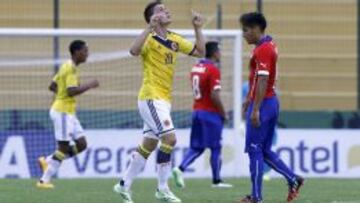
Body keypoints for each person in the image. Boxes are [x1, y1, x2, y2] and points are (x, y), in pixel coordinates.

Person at [113, 1, 205, 203]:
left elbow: (200, 52)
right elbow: (133, 51)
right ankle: (162, 189)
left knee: (148, 145)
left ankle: (123, 185)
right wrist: (148, 28)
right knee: (170, 139)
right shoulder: (149, 38)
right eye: (161, 10)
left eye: (166, 8)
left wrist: (197, 28)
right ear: (153, 18)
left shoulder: (174, 39)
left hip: (164, 99)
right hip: (150, 97)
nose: (166, 10)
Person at [238, 12, 304, 203]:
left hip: (264, 104)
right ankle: (293, 179)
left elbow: (263, 79)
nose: (243, 34)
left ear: (257, 29)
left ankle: (256, 198)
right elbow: (258, 78)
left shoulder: (263, 50)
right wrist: (248, 100)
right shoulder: (267, 45)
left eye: (246, 30)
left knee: (254, 150)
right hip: (269, 102)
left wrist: (256, 108)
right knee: (264, 150)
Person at [37, 40, 99, 189]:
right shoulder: (70, 68)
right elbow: (72, 91)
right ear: (77, 52)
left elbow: (52, 86)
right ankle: (44, 181)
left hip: (68, 112)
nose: (87, 54)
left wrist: (61, 95)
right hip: (63, 112)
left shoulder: (65, 66)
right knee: (63, 147)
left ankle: (48, 160)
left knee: (82, 144)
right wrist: (89, 85)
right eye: (85, 51)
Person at [172, 42, 233, 189]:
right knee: (216, 147)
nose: (220, 54)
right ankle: (217, 181)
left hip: (197, 112)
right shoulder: (213, 70)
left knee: (197, 147)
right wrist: (223, 114)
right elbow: (214, 95)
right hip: (211, 114)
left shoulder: (196, 68)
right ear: (214, 53)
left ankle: (180, 169)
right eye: (219, 51)